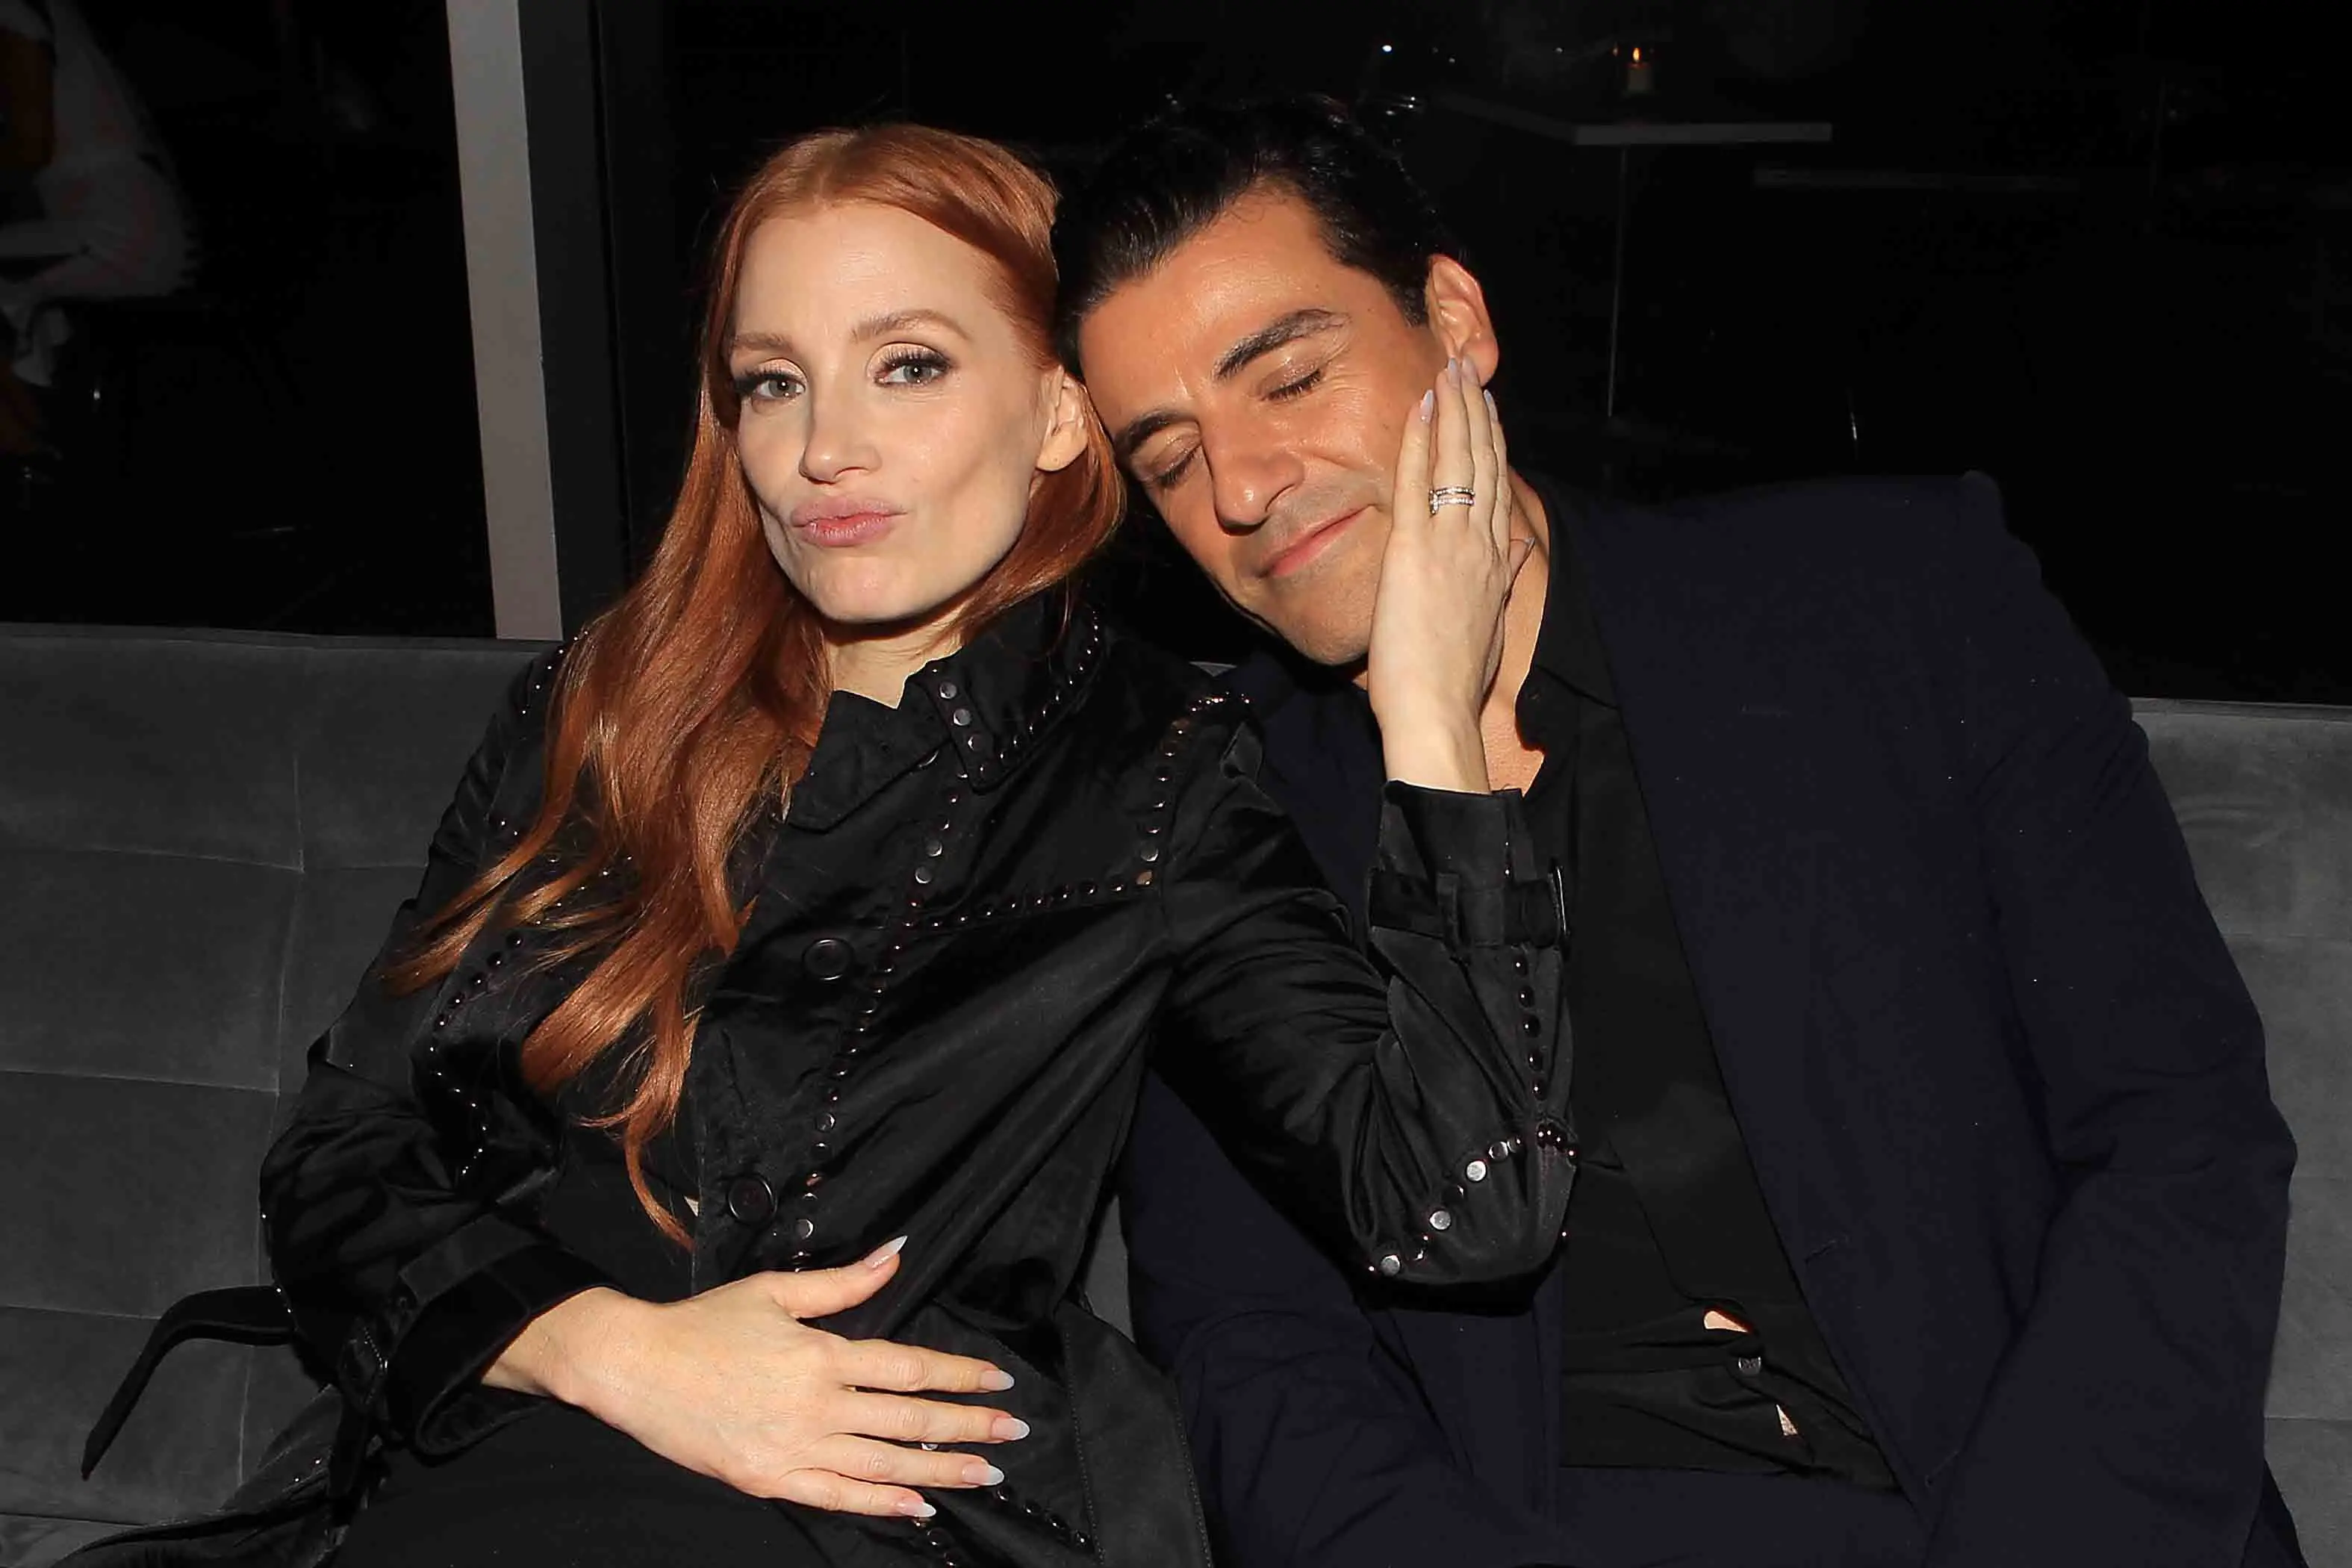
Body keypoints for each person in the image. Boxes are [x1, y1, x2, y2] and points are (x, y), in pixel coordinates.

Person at [66, 122, 1569, 1568]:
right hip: (520, 1430)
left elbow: (1466, 1207)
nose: (822, 450)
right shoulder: (600, 710)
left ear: (1057, 413)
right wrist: (613, 1352)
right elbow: (341, 1154)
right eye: (771, 384)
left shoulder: (1153, 770)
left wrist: (1430, 731)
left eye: (906, 365)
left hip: (872, 1499)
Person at [1053, 96, 2306, 1568]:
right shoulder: (1211, 819)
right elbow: (1256, 1358)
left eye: (1291, 379)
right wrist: (1429, 743)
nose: (1245, 488)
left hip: (2033, 1503)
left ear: (1453, 318)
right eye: (1170, 457)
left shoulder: (1898, 601)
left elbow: (2177, 1130)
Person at [0, 0, 192, 456]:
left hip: (121, 231)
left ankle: (33, 462)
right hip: (132, 223)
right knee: (15, 282)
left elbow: (30, 145)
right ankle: (39, 455)